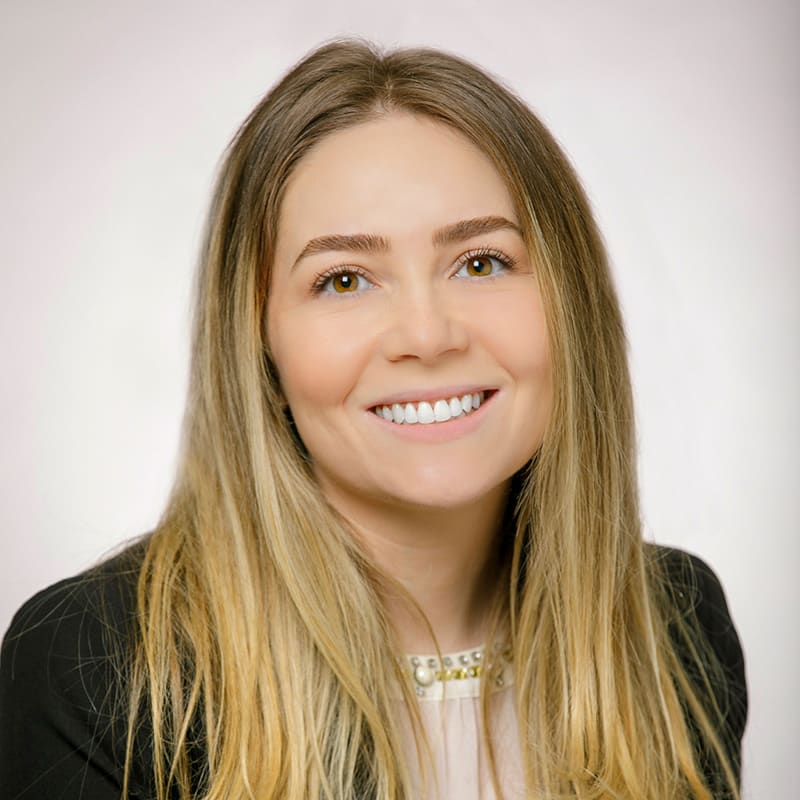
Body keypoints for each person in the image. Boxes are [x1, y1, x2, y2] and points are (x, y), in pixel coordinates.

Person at [0, 39, 746, 799]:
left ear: (570, 300)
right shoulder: (92, 664)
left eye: (481, 262)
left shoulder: (676, 629)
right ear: (260, 344)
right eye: (345, 279)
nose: (427, 336)